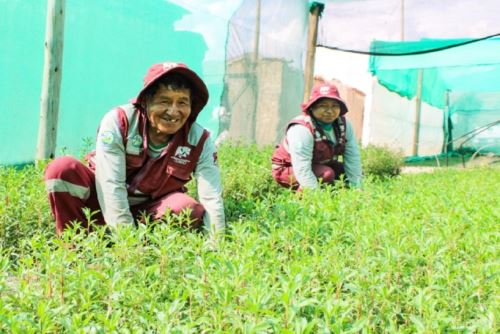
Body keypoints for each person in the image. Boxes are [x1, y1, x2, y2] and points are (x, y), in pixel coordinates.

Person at [44, 62, 224, 236]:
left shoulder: (200, 139)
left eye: (182, 103)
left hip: (149, 211)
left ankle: (146, 252)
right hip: (100, 202)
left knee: (187, 209)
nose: (173, 111)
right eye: (164, 101)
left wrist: (215, 244)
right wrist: (126, 241)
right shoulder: (119, 121)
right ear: (145, 101)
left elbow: (211, 197)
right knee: (62, 170)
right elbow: (110, 184)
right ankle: (77, 247)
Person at [271, 82, 363, 190]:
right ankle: (301, 202)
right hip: (288, 168)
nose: (329, 111)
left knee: (352, 173)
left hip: (319, 165)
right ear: (312, 108)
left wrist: (357, 188)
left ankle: (335, 197)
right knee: (327, 174)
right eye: (323, 106)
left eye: (334, 106)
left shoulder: (343, 125)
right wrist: (317, 198)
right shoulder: (302, 129)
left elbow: (352, 157)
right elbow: (302, 168)